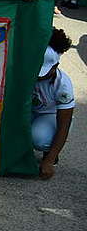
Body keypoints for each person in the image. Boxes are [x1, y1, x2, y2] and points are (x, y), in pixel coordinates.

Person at [32, 29, 75, 180]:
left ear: (55, 66)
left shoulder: (63, 84)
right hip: (27, 111)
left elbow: (64, 124)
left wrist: (49, 160)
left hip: (49, 115)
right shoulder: (24, 70)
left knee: (39, 138)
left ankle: (49, 151)